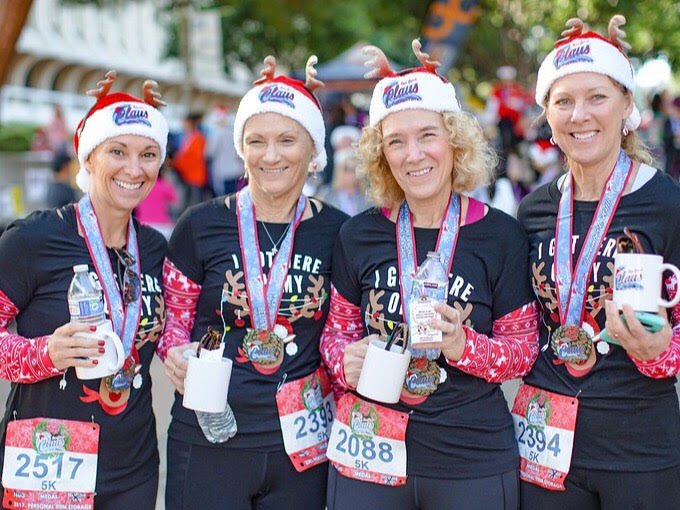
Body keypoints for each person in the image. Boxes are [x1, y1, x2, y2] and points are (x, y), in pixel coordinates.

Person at [320, 40, 539, 510]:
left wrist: (464, 347)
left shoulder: (500, 234)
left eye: (427, 135)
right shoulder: (357, 234)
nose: (413, 154)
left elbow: (522, 353)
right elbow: (334, 339)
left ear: (455, 141)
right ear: (382, 155)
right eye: (396, 141)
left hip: (471, 457)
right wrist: (346, 362)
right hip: (371, 453)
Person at [159, 55, 348, 509]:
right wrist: (175, 355)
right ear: (241, 148)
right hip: (209, 435)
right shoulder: (199, 225)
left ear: (313, 150)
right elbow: (174, 325)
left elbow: (344, 330)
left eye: (287, 140)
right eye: (256, 141)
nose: (271, 155)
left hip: (303, 446)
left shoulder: (340, 231)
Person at [517, 16, 680, 509]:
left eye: (597, 97)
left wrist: (661, 351)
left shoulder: (666, 203)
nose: (579, 115)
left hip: (638, 444)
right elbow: (521, 328)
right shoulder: (533, 210)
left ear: (627, 105)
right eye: (563, 101)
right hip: (545, 441)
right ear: (547, 114)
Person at [0, 71, 169, 508]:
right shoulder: (32, 241)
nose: (134, 169)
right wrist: (45, 355)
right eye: (118, 151)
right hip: (48, 458)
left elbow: (165, 334)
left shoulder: (155, 249)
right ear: (88, 158)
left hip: (131, 464)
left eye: (148, 154)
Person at [316, 147, 371, 216]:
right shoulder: (326, 195)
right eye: (347, 169)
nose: (351, 173)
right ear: (339, 171)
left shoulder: (368, 199)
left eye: (354, 169)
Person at [172, 112, 209, 209]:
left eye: (185, 123)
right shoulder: (189, 137)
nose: (183, 125)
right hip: (188, 175)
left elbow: (195, 157)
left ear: (190, 123)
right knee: (188, 201)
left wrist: (177, 162)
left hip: (195, 175)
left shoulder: (198, 138)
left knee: (195, 203)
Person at [135, 165, 179, 239]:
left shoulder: (141, 186)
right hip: (162, 226)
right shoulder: (164, 186)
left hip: (142, 225)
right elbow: (175, 202)